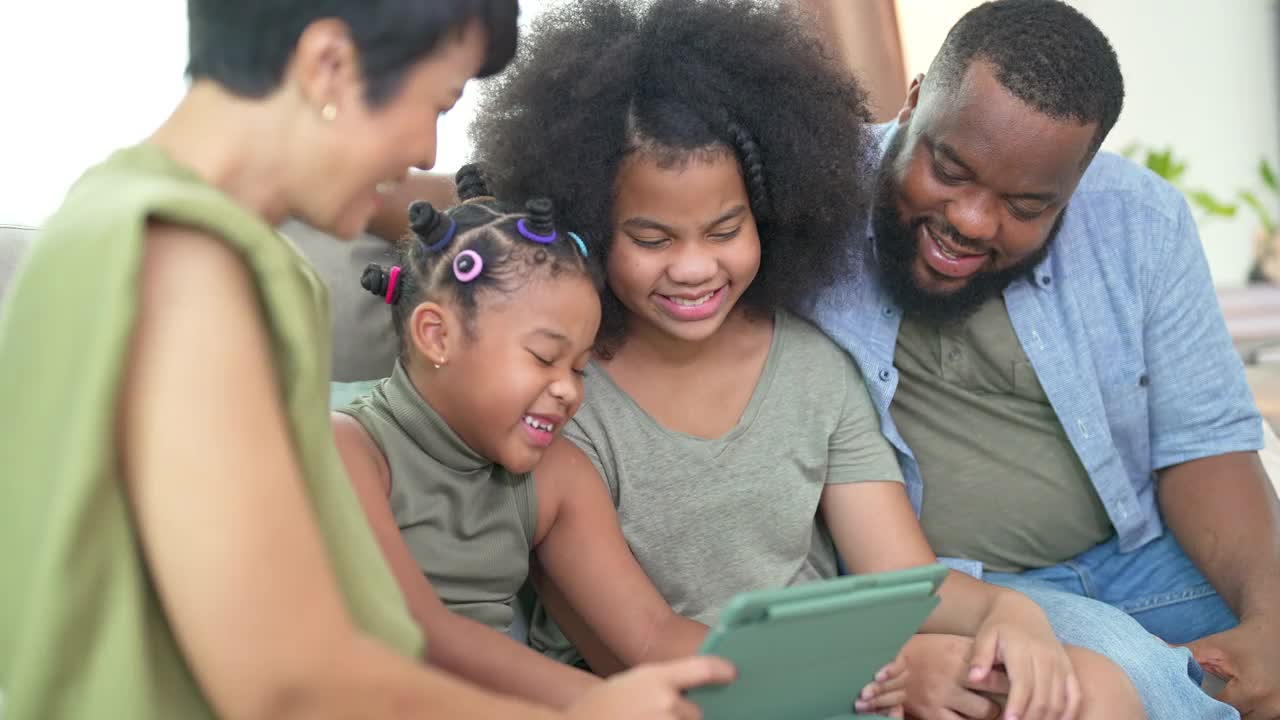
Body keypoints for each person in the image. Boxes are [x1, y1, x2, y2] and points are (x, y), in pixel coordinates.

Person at [0, 2, 733, 718]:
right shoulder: (187, 262)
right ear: (329, 65)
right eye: (437, 105)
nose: (421, 152)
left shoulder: (101, 221)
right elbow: (285, 682)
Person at [470, 1, 1144, 718]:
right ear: (587, 225)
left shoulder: (814, 369)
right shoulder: (565, 402)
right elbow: (639, 646)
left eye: (725, 229)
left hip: (848, 685)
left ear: (770, 212)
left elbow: (907, 579)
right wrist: (888, 667)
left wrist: (1008, 613)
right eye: (653, 238)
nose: (695, 268)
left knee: (1097, 691)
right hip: (685, 698)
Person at [802, 1, 1280, 718]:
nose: (969, 221)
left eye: (1025, 205)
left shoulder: (1142, 222)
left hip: (1141, 560)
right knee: (1115, 672)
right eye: (950, 168)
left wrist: (1272, 624)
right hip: (976, 594)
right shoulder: (805, 210)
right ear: (913, 101)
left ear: (1074, 186)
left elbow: (1206, 446)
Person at [334, 168, 779, 710]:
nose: (568, 389)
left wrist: (803, 669)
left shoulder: (556, 476)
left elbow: (652, 634)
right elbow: (419, 631)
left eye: (581, 368)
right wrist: (597, 704)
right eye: (545, 358)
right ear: (437, 334)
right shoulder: (349, 450)